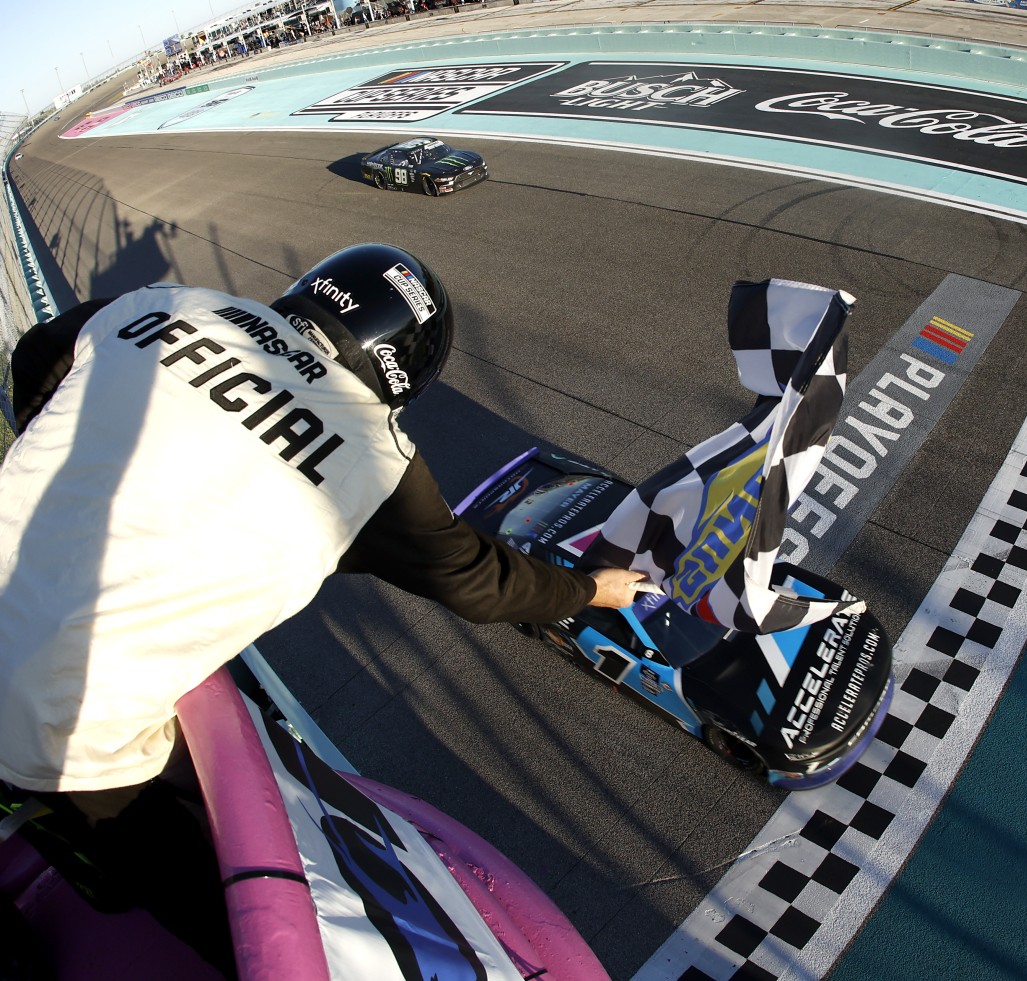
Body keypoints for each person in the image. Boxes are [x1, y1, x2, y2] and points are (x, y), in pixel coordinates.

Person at [0, 242, 643, 977]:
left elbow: (38, 358)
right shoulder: (374, 456)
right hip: (65, 717)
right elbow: (478, 580)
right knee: (214, 891)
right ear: (404, 365)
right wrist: (591, 589)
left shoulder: (170, 303)